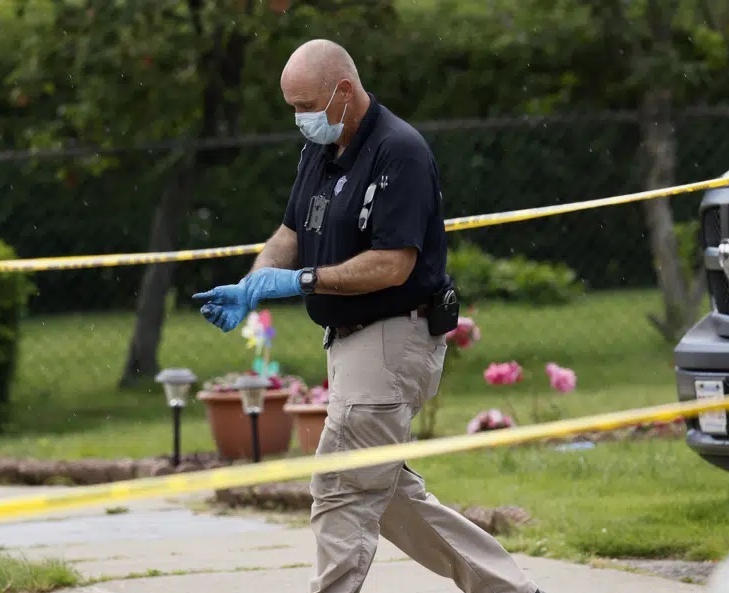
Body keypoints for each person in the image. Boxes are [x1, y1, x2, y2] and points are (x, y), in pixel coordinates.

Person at [193, 39, 545, 593]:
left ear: (344, 91)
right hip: (353, 344)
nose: (300, 119)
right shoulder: (321, 150)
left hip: (391, 336)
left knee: (341, 490)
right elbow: (290, 232)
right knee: (390, 498)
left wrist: (303, 280)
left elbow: (392, 264)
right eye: (292, 108)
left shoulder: (399, 151)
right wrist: (254, 282)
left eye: (305, 104)